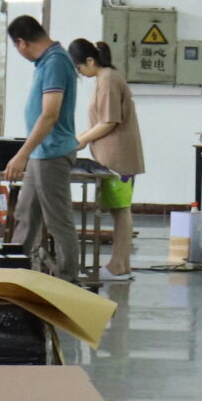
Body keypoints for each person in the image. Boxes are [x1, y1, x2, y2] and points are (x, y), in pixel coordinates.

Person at [2, 15, 81, 281]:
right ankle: (14, 273)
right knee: (25, 213)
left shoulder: (56, 62)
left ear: (22, 43)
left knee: (58, 221)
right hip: (41, 152)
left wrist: (21, 154)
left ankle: (68, 280)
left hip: (52, 153)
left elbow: (50, 114)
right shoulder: (46, 61)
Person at [70, 39, 144, 281]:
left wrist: (79, 141)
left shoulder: (109, 79)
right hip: (113, 154)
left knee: (120, 210)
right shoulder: (105, 79)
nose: (80, 72)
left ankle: (118, 266)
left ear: (90, 61)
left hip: (118, 157)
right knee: (118, 209)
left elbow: (109, 121)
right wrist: (80, 138)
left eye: (80, 68)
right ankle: (121, 264)